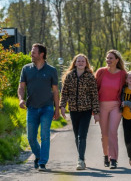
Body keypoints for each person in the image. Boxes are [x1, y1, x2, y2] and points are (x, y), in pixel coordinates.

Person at [18, 43, 60, 172]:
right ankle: (38, 155)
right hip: (32, 108)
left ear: (42, 54)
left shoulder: (51, 70)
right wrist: (21, 99)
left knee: (45, 135)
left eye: (34, 52)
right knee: (31, 137)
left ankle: (42, 162)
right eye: (31, 51)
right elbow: (21, 87)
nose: (31, 54)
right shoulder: (26, 69)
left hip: (47, 108)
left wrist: (57, 108)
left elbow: (55, 91)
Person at [59, 54, 100, 170]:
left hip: (86, 110)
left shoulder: (90, 77)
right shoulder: (69, 76)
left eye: (83, 61)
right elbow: (64, 92)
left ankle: (80, 160)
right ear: (75, 63)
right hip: (73, 110)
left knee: (82, 135)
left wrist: (96, 112)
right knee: (76, 135)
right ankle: (81, 157)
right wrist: (62, 106)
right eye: (79, 61)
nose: (81, 63)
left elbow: (94, 95)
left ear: (86, 63)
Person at [95, 50, 127, 169]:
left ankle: (113, 159)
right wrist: (95, 111)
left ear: (117, 60)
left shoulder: (123, 74)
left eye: (111, 58)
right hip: (102, 105)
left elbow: (129, 88)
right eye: (107, 58)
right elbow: (94, 91)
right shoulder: (101, 72)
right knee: (104, 134)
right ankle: (106, 155)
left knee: (112, 132)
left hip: (116, 106)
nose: (108, 60)